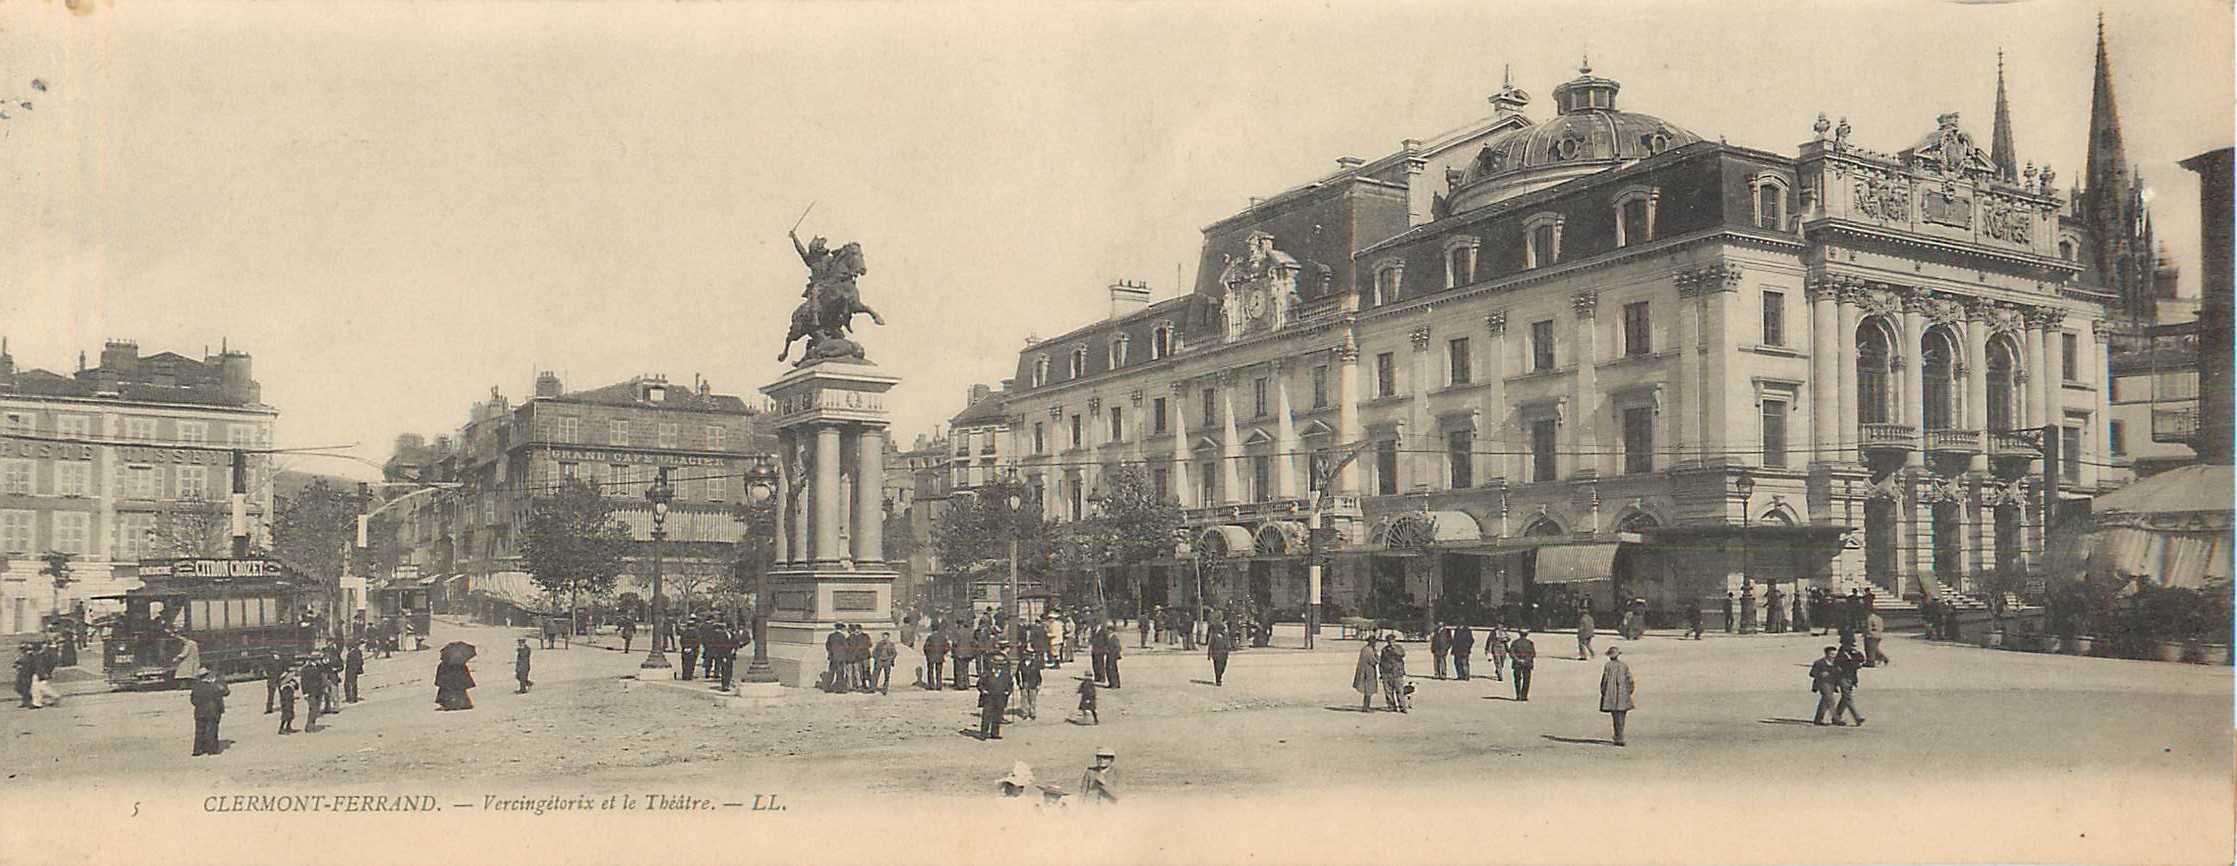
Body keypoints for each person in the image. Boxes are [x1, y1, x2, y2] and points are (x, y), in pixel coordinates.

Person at [189, 668, 229, 756]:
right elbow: (225, 693)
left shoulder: (196, 687)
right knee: (212, 730)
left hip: (199, 711)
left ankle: (198, 749)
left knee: (199, 731)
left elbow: (193, 700)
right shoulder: (214, 686)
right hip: (212, 710)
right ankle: (212, 749)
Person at [1599, 646, 1634, 746]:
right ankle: (1620, 735)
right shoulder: (1624, 665)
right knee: (1622, 716)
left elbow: (1604, 681)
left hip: (1612, 694)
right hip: (1623, 694)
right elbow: (1630, 680)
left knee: (1615, 717)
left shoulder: (1608, 666)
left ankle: (1619, 736)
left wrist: (1603, 692)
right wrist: (1629, 691)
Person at [977, 644, 1013, 740]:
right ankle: (983, 733)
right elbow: (980, 684)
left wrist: (1007, 692)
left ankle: (995, 733)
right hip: (989, 697)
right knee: (986, 716)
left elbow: (1010, 684)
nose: (998, 666)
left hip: (1001, 697)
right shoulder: (987, 673)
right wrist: (983, 690)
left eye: (1000, 664)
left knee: (998, 715)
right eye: (996, 664)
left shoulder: (1005, 674)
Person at [1830, 645, 1867, 726]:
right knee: (1848, 698)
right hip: (1843, 678)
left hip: (1851, 679)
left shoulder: (1853, 654)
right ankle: (1857, 717)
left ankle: (1836, 717)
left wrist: (1856, 653)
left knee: (1844, 699)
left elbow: (1862, 659)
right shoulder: (1840, 655)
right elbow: (1846, 665)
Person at [1809, 645, 1844, 726]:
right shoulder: (1819, 663)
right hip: (1822, 683)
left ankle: (1818, 719)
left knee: (1825, 701)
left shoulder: (1836, 663)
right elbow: (1812, 673)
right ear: (1826, 654)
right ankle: (1836, 719)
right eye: (1832, 654)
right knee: (1830, 700)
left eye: (1835, 654)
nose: (1833, 656)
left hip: (1832, 684)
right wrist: (1820, 674)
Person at [1379, 634, 1408, 712]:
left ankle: (1402, 707)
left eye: (1392, 641)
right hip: (1387, 672)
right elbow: (1381, 662)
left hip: (1397, 672)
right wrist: (1381, 673)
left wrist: (1394, 649)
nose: (1390, 642)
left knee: (1400, 690)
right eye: (1389, 641)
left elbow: (1402, 654)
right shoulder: (1384, 650)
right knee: (1388, 691)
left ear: (1394, 641)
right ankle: (1391, 706)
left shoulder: (1399, 648)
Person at [1352, 635, 1382, 712]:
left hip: (1367, 672)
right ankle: (1366, 707)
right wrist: (1376, 655)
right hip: (1367, 673)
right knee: (1368, 690)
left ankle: (1366, 707)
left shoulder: (1366, 649)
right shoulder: (1368, 650)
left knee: (1368, 690)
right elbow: (1373, 661)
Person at [1508, 630, 1536, 701]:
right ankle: (1524, 695)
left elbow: (1511, 653)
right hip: (1527, 664)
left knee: (1517, 680)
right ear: (1526, 634)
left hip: (1517, 663)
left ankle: (1518, 695)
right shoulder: (1530, 643)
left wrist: (1517, 660)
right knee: (1526, 680)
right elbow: (1532, 654)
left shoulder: (1515, 642)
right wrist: (1525, 660)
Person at [1015, 650, 1041, 719]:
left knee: (1032, 698)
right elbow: (1017, 674)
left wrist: (1038, 684)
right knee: (1024, 698)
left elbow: (1038, 675)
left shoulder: (1035, 663)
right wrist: (1019, 682)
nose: (1028, 657)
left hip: (1033, 683)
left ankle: (1032, 713)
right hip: (1024, 682)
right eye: (1027, 655)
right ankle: (1025, 713)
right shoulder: (1021, 663)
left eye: (1030, 655)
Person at [923, 625, 950, 691]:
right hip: (940, 656)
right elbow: (947, 646)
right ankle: (939, 685)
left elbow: (926, 647)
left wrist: (927, 654)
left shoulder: (930, 637)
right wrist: (943, 653)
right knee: (939, 671)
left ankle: (931, 685)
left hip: (931, 656)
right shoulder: (943, 637)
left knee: (930, 671)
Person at [14, 644, 37, 709]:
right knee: (18, 687)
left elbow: (32, 664)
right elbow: (16, 663)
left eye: (23, 649)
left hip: (28, 673)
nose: (21, 650)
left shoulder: (31, 656)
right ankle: (27, 699)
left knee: (25, 688)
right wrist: (17, 665)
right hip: (21, 673)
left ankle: (27, 701)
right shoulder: (21, 656)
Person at [275, 669, 299, 734]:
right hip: (286, 701)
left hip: (290, 701)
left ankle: (288, 727)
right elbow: (286, 695)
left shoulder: (290, 683)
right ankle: (281, 728)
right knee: (286, 713)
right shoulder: (285, 686)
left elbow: (296, 687)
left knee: (291, 713)